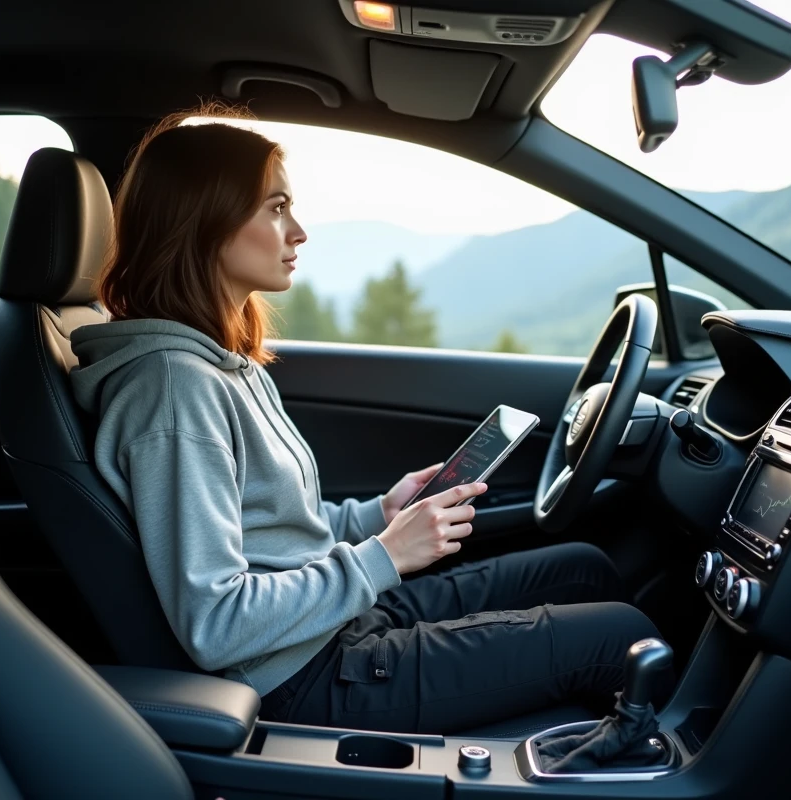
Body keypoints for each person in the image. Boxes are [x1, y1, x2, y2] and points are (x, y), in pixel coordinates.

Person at [70, 107, 667, 734]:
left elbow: (265, 531)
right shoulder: (173, 390)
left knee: (582, 567)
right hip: (299, 676)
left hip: (330, 620)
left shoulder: (215, 364)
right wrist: (385, 555)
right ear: (203, 222)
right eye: (275, 208)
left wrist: (374, 516)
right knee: (621, 640)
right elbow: (217, 623)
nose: (297, 231)